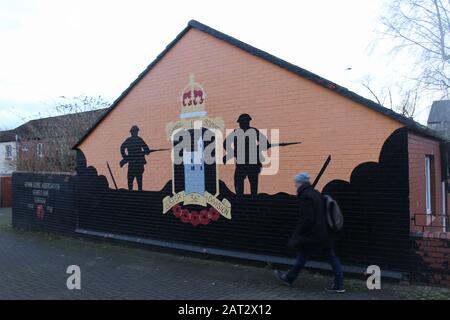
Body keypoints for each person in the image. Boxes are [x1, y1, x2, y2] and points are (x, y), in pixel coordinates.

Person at [274, 172, 345, 293]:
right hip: (323, 233)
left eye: (296, 182)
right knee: (329, 256)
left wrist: (299, 233)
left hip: (313, 234)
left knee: (304, 256)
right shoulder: (315, 193)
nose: (295, 184)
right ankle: (339, 284)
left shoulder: (306, 195)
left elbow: (308, 218)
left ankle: (289, 278)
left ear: (301, 182)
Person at [223, 113, 268, 196]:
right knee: (247, 186)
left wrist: (232, 153)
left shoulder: (238, 132)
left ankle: (244, 202)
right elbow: (265, 143)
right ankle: (247, 202)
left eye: (242, 122)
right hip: (249, 164)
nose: (241, 124)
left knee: (246, 186)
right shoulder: (252, 131)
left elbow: (265, 143)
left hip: (248, 164)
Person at [120, 125, 151, 191]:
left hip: (137, 164)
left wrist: (125, 157)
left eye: (135, 131)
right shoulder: (138, 140)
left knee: (136, 181)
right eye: (135, 131)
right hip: (134, 164)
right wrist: (125, 157)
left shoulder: (136, 140)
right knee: (132, 181)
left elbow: (147, 150)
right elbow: (122, 148)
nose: (135, 133)